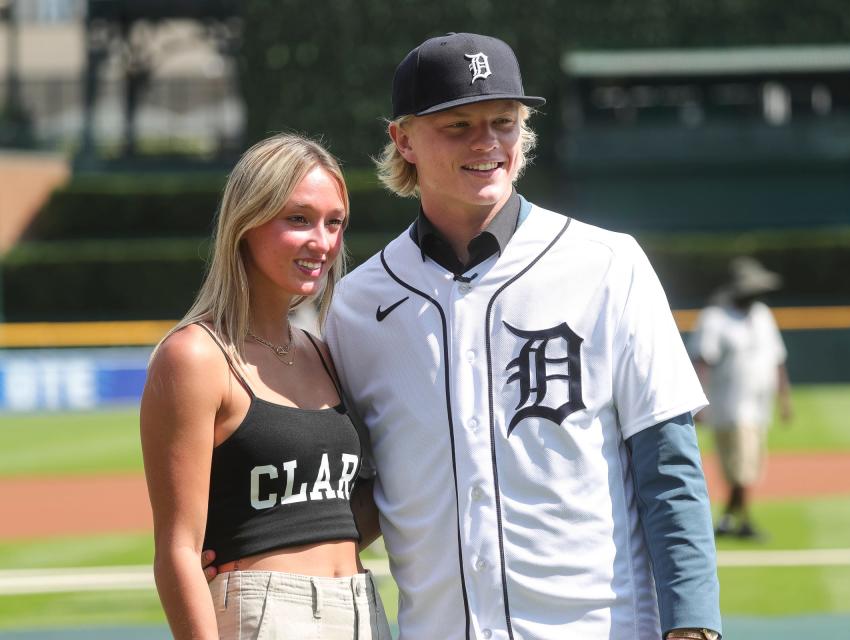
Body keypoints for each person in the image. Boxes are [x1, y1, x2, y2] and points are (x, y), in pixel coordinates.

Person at [321, 33, 721, 640]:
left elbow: (667, 465)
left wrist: (692, 627)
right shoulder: (357, 304)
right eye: (458, 126)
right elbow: (350, 488)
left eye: (503, 122)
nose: (486, 143)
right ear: (402, 139)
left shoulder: (608, 263)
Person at [140, 133, 390, 639]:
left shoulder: (324, 352)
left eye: (334, 222)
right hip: (267, 615)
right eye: (297, 219)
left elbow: (340, 509)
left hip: (363, 606)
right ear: (246, 224)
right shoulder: (195, 356)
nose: (321, 241)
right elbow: (178, 550)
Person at [689, 256, 793, 540]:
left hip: (760, 404)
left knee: (749, 466)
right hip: (729, 404)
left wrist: (785, 398)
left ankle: (725, 520)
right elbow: (703, 361)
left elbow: (777, 358)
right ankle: (744, 522)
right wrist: (699, 402)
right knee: (741, 467)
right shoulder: (715, 318)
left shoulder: (762, 315)